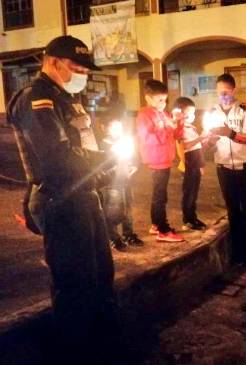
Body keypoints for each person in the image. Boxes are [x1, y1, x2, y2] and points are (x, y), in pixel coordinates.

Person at [6, 35, 120, 361]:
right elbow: (56, 156)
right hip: (60, 200)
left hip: (84, 196)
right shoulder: (36, 98)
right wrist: (105, 160)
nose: (82, 74)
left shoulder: (65, 96)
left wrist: (107, 167)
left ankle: (103, 346)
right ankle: (76, 353)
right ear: (53, 61)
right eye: (76, 67)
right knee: (75, 285)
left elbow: (86, 143)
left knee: (100, 275)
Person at [205, 73, 246, 273]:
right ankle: (240, 253)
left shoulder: (245, 109)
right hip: (223, 168)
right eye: (219, 92)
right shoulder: (211, 112)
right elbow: (207, 141)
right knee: (233, 212)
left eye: (225, 92)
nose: (222, 96)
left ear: (233, 90)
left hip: (244, 168)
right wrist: (210, 142)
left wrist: (230, 133)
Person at [136, 79, 185, 242]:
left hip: (165, 158)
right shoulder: (144, 115)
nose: (163, 104)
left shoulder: (163, 114)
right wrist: (168, 128)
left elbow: (176, 135)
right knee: (160, 196)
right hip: (156, 159)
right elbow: (150, 138)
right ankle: (163, 230)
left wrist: (179, 122)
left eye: (165, 100)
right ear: (148, 98)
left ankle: (156, 224)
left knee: (159, 194)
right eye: (159, 100)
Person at [100, 119, 144, 252]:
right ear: (104, 128)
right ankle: (114, 238)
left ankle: (128, 234)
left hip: (125, 179)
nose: (117, 130)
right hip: (111, 183)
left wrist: (133, 167)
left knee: (128, 207)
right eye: (113, 127)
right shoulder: (102, 145)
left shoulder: (124, 142)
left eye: (119, 127)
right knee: (112, 210)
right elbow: (102, 164)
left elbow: (131, 158)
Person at [174, 96, 207, 231]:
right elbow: (186, 146)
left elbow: (197, 146)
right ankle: (188, 220)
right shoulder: (180, 128)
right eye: (188, 114)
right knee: (189, 193)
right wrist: (201, 137)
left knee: (194, 193)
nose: (192, 116)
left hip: (195, 163)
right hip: (188, 164)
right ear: (180, 113)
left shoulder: (190, 127)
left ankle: (192, 217)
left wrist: (201, 165)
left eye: (193, 113)